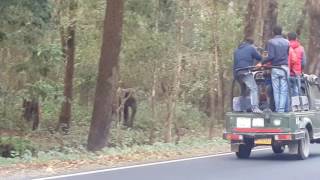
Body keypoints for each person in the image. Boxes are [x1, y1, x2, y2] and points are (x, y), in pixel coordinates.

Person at [257, 25, 290, 112]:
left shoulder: (271, 42)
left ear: (273, 32)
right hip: (285, 68)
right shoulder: (287, 42)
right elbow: (288, 54)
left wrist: (261, 63)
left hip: (275, 68)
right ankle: (281, 110)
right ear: (281, 31)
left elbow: (270, 56)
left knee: (276, 90)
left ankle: (278, 109)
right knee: (284, 90)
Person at [233, 38, 263, 113]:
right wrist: (257, 51)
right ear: (251, 43)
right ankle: (255, 107)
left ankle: (242, 108)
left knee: (243, 90)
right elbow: (259, 58)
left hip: (237, 73)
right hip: (245, 71)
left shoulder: (236, 50)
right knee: (254, 88)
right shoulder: (251, 48)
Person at [288, 32, 307, 96]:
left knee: (288, 91)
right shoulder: (301, 48)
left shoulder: (285, 47)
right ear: (296, 38)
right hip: (297, 73)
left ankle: (289, 105)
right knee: (297, 89)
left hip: (287, 72)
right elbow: (304, 62)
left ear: (288, 38)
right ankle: (296, 105)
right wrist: (300, 70)